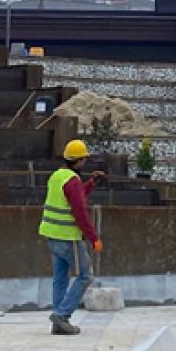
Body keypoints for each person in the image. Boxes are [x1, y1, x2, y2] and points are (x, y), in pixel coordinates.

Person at [39, 139, 105, 335]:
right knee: (86, 275)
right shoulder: (72, 180)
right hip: (68, 237)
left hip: (51, 235)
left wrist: (91, 183)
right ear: (79, 161)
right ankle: (61, 315)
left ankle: (58, 321)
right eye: (84, 159)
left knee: (60, 278)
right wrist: (94, 238)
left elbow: (74, 196)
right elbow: (80, 212)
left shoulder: (57, 176)